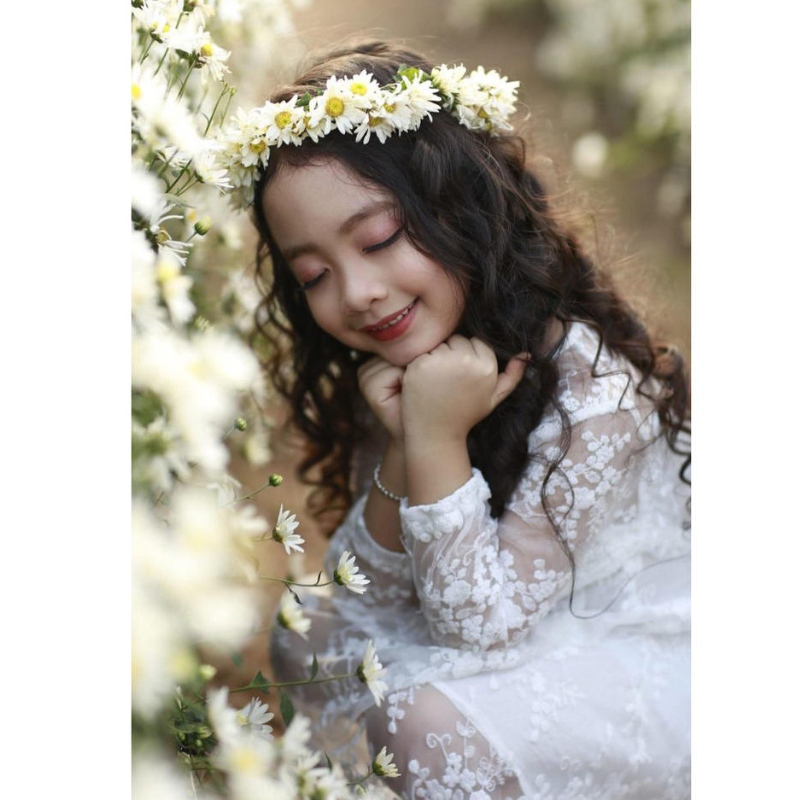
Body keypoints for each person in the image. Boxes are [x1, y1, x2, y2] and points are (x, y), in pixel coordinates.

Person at [228, 38, 691, 799]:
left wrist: (437, 436)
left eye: (378, 239)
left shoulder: (597, 391)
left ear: (462, 209)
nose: (358, 291)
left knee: (418, 725)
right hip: (495, 605)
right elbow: (361, 595)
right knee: (306, 639)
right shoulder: (402, 359)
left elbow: (478, 623)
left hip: (636, 651)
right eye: (314, 274)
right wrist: (405, 455)